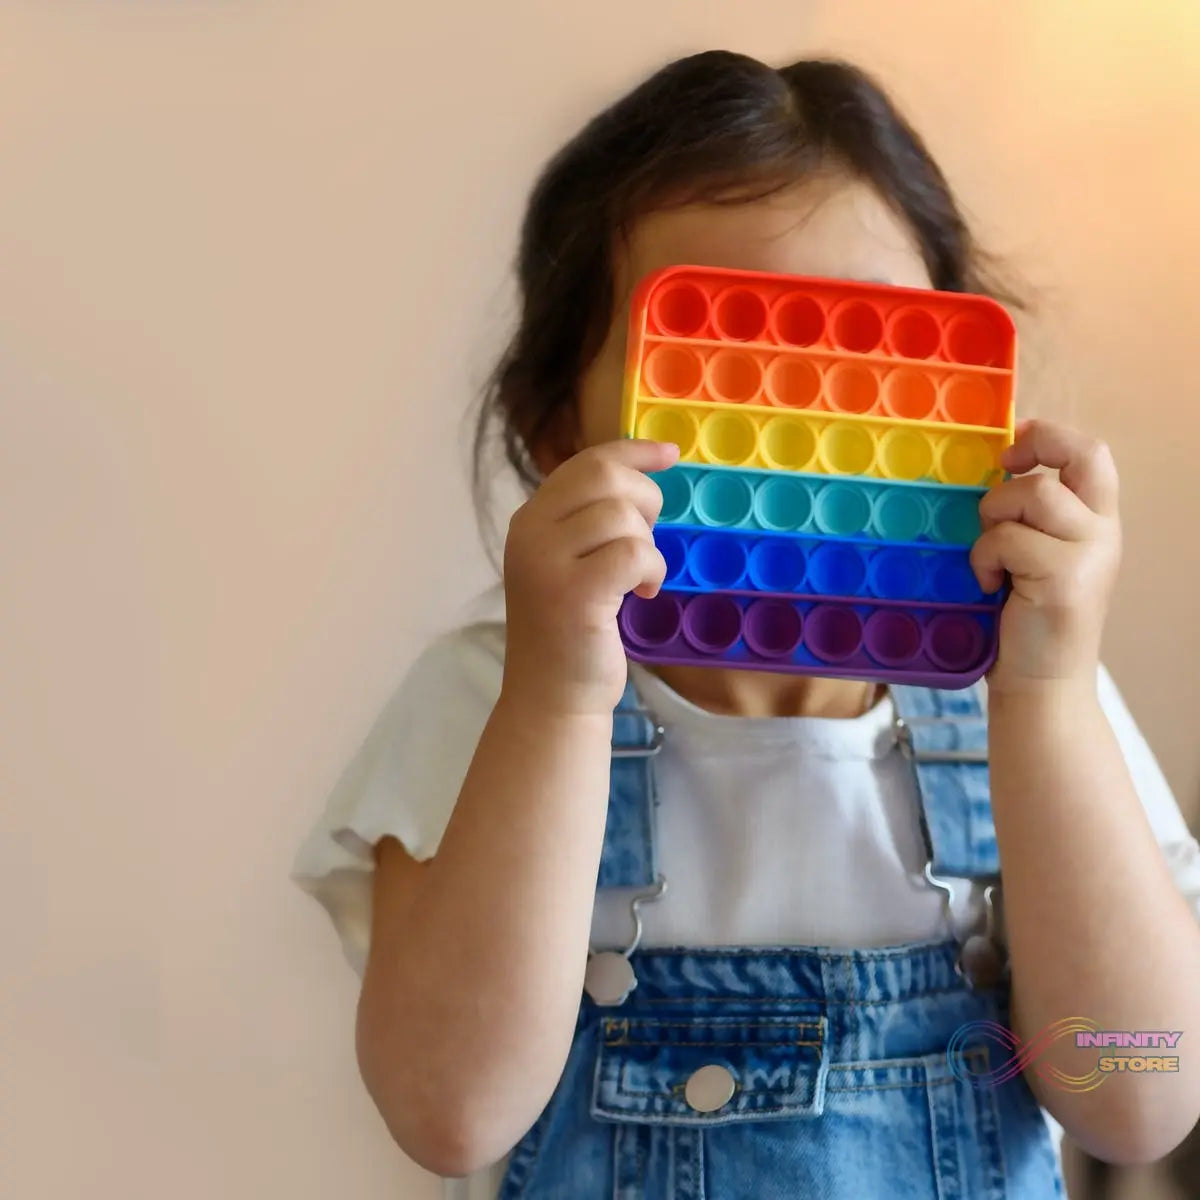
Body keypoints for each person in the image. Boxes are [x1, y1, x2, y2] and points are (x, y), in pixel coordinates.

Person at [293, 51, 1200, 1199]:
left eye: (876, 359)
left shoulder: (1023, 701)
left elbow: (1141, 1087)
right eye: (721, 364)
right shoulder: (492, 699)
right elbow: (448, 1111)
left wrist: (1048, 695)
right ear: (555, 434)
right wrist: (559, 700)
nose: (799, 433)